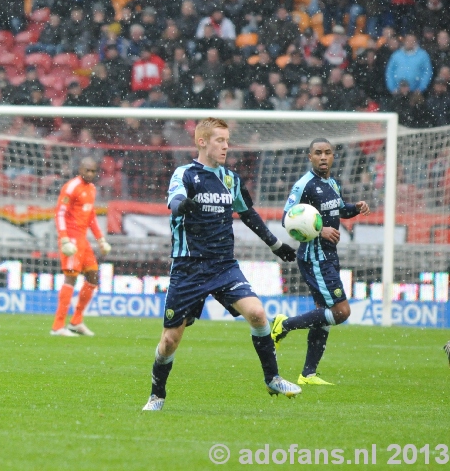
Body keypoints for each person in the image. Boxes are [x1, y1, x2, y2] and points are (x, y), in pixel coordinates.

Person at [142, 117, 300, 411]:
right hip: (188, 267)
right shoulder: (186, 173)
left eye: (228, 141)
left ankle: (272, 378)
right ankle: (157, 394)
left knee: (256, 313)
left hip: (224, 266)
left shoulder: (231, 179)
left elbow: (248, 214)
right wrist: (182, 205)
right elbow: (175, 199)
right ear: (202, 142)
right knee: (169, 342)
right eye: (220, 140)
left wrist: (276, 244)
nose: (226, 146)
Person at [272, 138, 370, 385]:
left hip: (328, 255)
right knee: (340, 312)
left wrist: (355, 208)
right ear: (310, 157)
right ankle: (284, 325)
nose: (323, 157)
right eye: (318, 153)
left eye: (327, 152)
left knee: (322, 313)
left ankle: (308, 374)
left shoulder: (332, 183)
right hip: (315, 257)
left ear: (333, 156)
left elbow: (339, 210)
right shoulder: (304, 185)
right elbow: (287, 218)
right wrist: (320, 230)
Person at [51, 157, 111, 337]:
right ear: (80, 170)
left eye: (93, 171)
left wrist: (100, 239)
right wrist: (64, 239)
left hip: (83, 240)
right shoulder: (71, 187)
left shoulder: (92, 189)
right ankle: (57, 326)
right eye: (87, 170)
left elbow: (91, 216)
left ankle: (76, 321)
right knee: (71, 278)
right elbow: (59, 213)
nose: (90, 174)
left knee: (93, 276)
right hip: (71, 238)